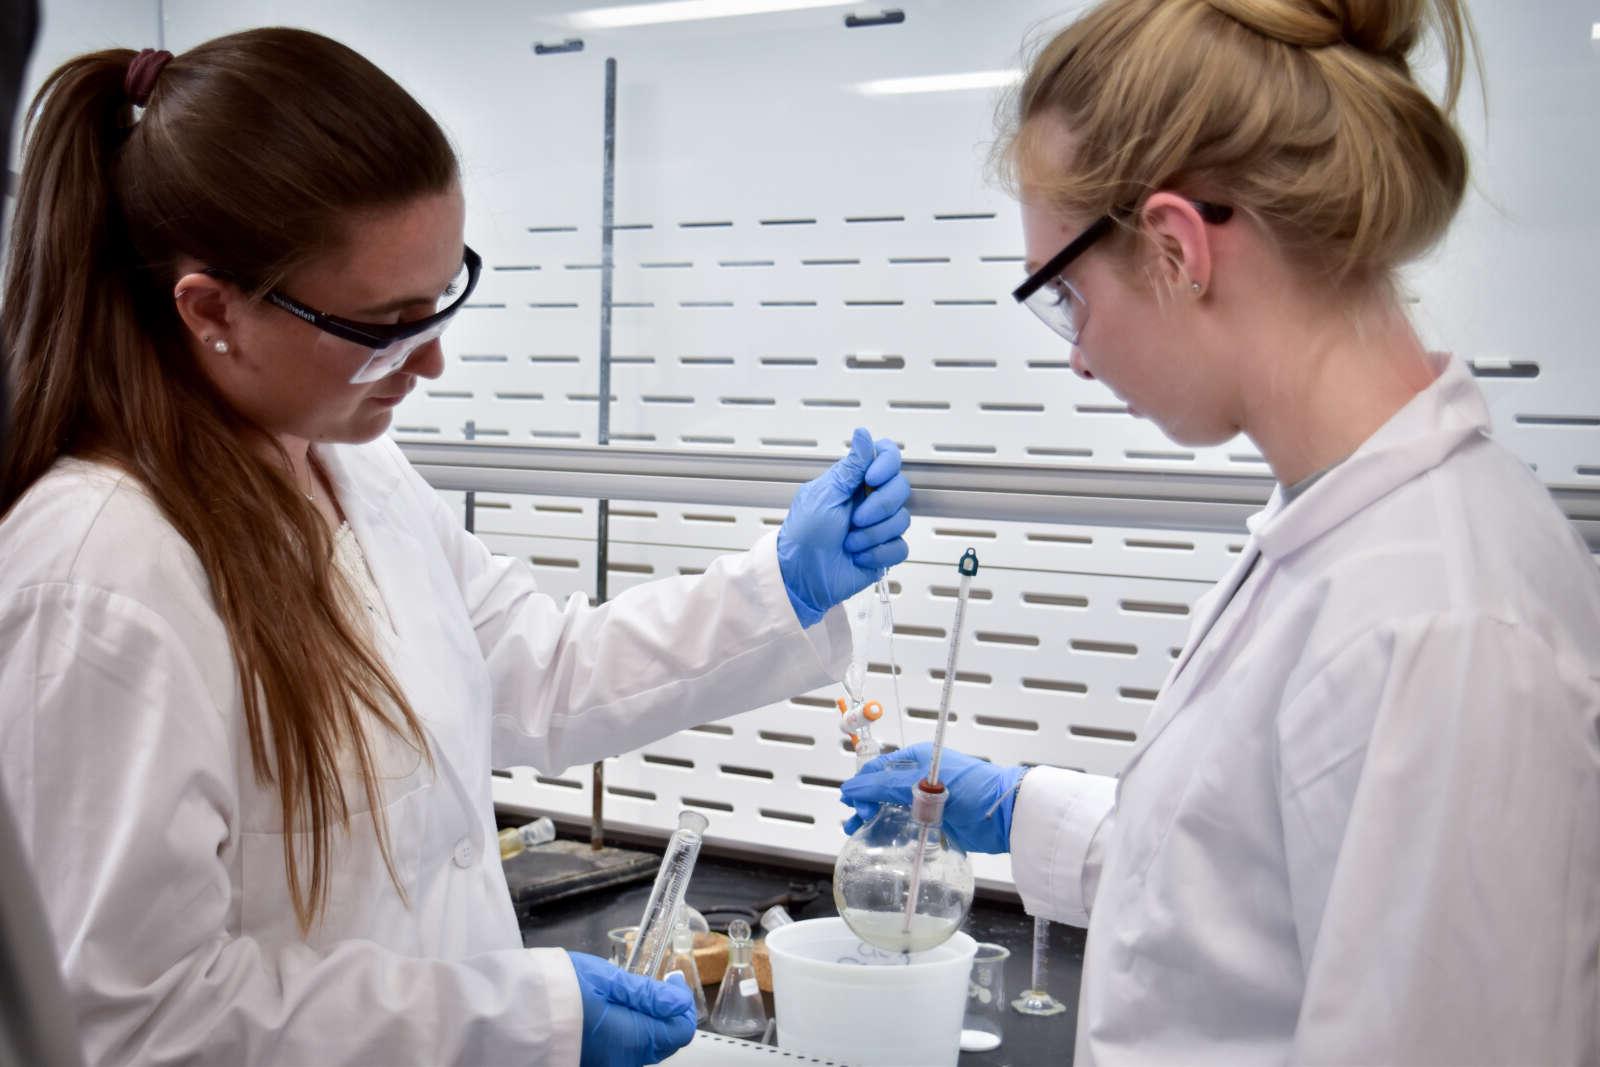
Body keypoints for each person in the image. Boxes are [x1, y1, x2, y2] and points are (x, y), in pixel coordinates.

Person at [0, 28, 911, 1067]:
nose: (432, 358)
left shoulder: (351, 468)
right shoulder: (98, 576)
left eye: (445, 293)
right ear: (213, 311)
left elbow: (538, 674)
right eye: (386, 321)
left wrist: (780, 587)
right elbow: (133, 1018)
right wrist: (516, 1019)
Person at [843, 0, 1600, 1063]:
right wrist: (1020, 809)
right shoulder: (1337, 537)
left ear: (1174, 248)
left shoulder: (1439, 624)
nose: (1077, 356)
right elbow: (1234, 899)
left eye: (1066, 297)